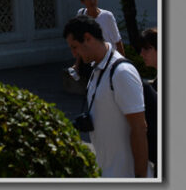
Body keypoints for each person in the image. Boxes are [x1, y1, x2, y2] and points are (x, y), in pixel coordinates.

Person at [63, 15, 151, 178]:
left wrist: (141, 179)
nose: (73, 53)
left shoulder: (121, 72)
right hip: (107, 172)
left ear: (88, 38)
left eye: (74, 47)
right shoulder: (97, 69)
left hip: (126, 175)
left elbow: (139, 128)